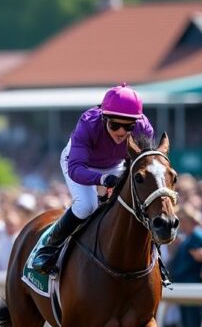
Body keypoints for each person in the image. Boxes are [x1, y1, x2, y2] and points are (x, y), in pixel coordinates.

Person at [33, 84, 154, 274]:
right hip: (81, 164)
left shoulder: (144, 129)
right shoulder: (89, 123)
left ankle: (155, 261)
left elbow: (142, 165)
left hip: (115, 165)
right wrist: (102, 179)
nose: (121, 132)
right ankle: (48, 248)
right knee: (86, 206)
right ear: (104, 118)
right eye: (115, 125)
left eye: (128, 126)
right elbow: (75, 169)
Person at [170, 205, 202, 327]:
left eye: (182, 222)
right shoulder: (189, 237)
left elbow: (190, 264)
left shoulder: (197, 236)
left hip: (192, 286)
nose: (180, 225)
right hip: (185, 287)